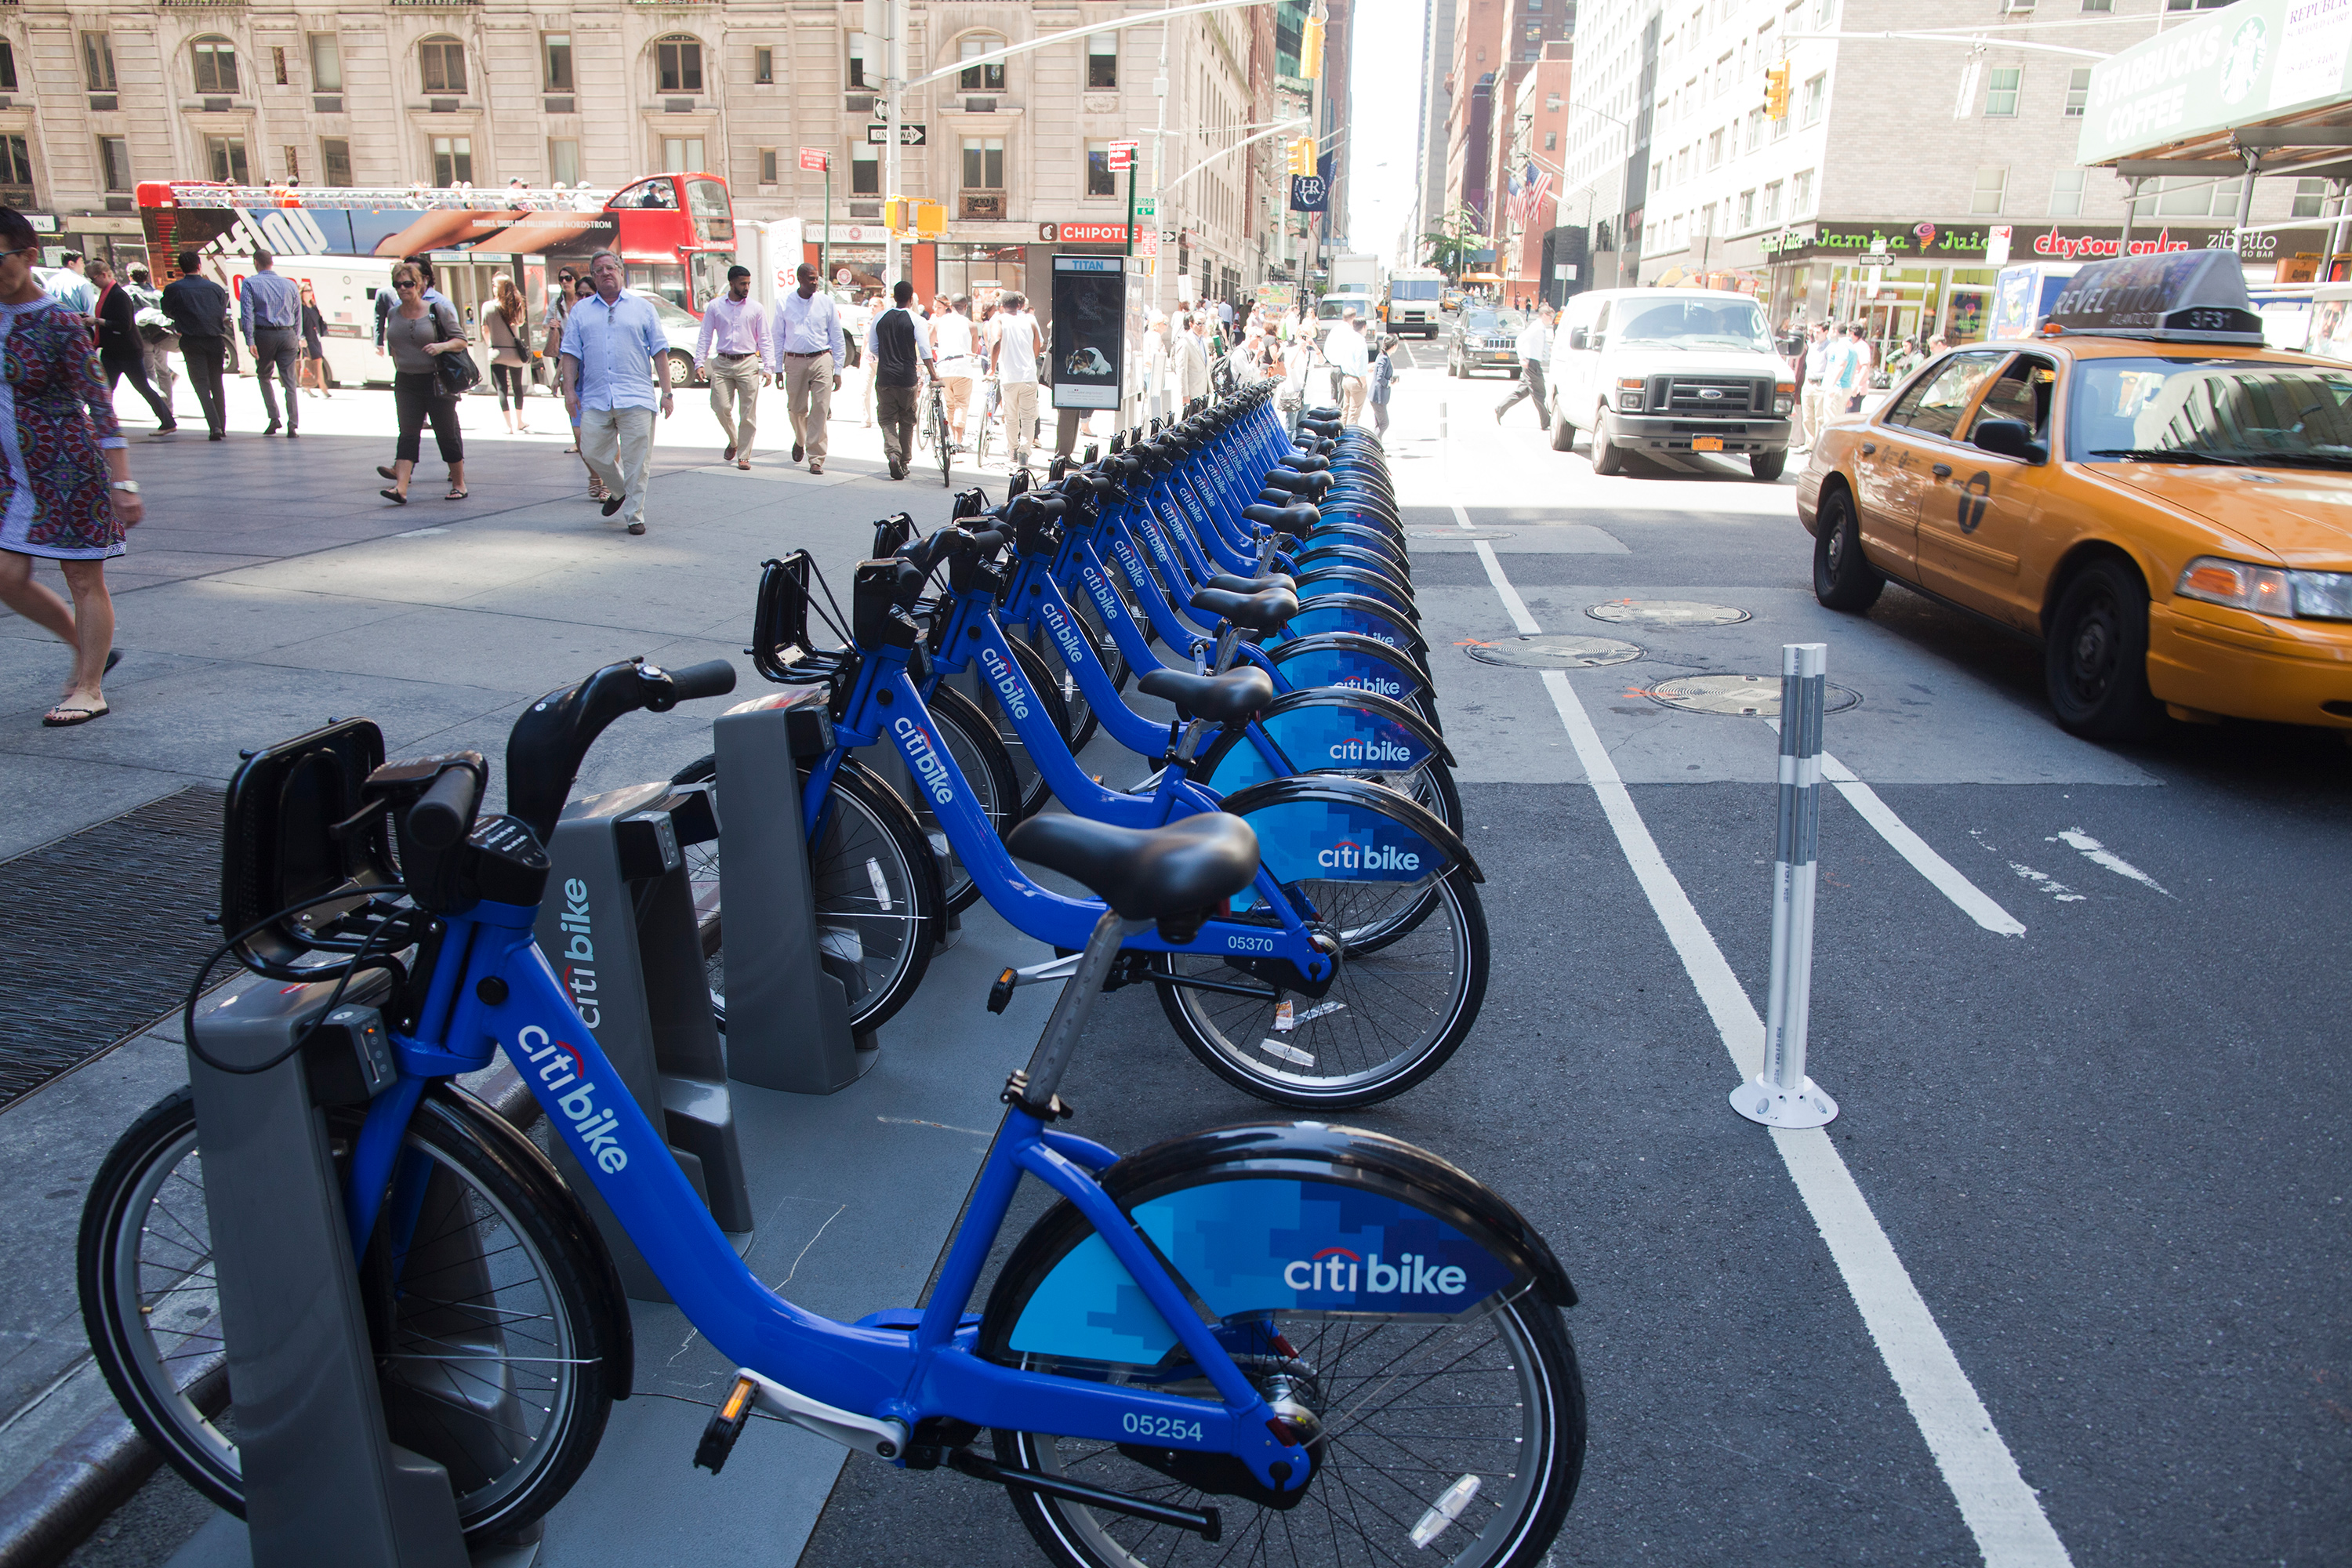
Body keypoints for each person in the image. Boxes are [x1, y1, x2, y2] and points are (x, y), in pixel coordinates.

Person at [0, 209, 142, 727]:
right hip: (12, 475)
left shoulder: (57, 320)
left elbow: (99, 402)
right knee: (5, 576)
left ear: (28, 256)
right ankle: (89, 650)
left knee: (82, 577)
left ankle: (89, 686)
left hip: (66, 468)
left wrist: (123, 482)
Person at [561, 249, 673, 533]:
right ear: (593, 277)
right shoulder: (581, 311)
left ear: (621, 271)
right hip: (596, 396)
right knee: (592, 449)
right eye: (598, 270)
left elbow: (660, 351)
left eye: (610, 268)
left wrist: (667, 392)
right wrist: (569, 392)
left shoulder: (642, 308)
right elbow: (570, 354)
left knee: (637, 461)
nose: (605, 273)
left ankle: (635, 516)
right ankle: (618, 489)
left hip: (636, 396)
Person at [376, 261, 470, 505]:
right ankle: (401, 488)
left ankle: (459, 483)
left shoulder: (436, 310)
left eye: (408, 284)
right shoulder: (393, 314)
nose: (403, 289)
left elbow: (460, 341)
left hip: (436, 380)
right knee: (407, 434)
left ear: (419, 285)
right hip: (406, 381)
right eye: (398, 285)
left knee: (446, 433)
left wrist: (441, 346)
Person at [767, 263, 843, 475]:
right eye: (811, 279)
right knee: (796, 409)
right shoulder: (784, 303)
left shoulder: (826, 302)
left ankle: (816, 458)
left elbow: (836, 336)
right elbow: (777, 336)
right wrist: (777, 368)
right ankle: (801, 439)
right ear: (800, 280)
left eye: (817, 278)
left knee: (820, 408)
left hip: (822, 359)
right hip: (794, 361)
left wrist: (838, 370)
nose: (815, 282)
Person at [86, 260, 176, 434]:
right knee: (106, 388)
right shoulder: (109, 293)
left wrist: (96, 321)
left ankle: (167, 421)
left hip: (126, 351)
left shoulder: (118, 295)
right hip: (114, 351)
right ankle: (98, 422)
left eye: (93, 278)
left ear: (104, 275)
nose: (93, 283)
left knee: (142, 387)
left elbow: (124, 324)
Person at [695, 264, 767, 470]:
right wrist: (699, 362)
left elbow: (764, 338)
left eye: (749, 283)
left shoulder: (756, 308)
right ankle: (734, 440)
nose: (747, 287)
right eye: (743, 283)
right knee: (720, 406)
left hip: (748, 362)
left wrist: (770, 367)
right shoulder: (715, 307)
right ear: (732, 283)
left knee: (748, 414)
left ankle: (744, 455)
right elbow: (705, 335)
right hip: (723, 363)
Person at [868, 280, 936, 481]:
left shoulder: (880, 318)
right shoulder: (917, 320)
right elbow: (925, 349)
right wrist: (933, 373)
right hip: (907, 378)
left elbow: (873, 348)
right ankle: (904, 461)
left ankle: (892, 453)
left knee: (887, 418)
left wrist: (888, 358)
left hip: (885, 377)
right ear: (911, 297)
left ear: (894, 297)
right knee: (907, 419)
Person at [160, 251, 231, 441]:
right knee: (217, 382)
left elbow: (167, 310)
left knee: (200, 383)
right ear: (199, 266)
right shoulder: (215, 288)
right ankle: (221, 425)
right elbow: (221, 312)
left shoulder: (174, 289)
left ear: (180, 268)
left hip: (191, 339)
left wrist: (182, 318)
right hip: (215, 339)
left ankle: (214, 425)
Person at [238, 249, 303, 437]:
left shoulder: (250, 283)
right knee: (290, 381)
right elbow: (298, 314)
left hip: (265, 335)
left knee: (264, 376)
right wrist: (296, 337)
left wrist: (250, 340)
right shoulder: (290, 284)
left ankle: (274, 418)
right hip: (288, 334)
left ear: (256, 262)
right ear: (271, 263)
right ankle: (293, 424)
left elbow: (247, 313)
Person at [989, 291, 1044, 471]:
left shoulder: (999, 320)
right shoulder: (1030, 319)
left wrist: (992, 367)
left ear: (1002, 306)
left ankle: (1012, 448)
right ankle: (1024, 452)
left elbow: (997, 341)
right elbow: (1038, 345)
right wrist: (1031, 356)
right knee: (1028, 417)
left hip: (1009, 377)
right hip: (1029, 375)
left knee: (1011, 416)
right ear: (1019, 305)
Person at [478, 274, 532, 435]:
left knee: (502, 388)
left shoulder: (488, 307)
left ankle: (508, 425)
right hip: (515, 353)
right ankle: (520, 421)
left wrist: (490, 344)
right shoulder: (516, 305)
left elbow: (484, 329)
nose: (493, 288)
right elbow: (521, 323)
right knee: (517, 387)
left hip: (496, 351)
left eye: (494, 285)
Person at [125, 266, 179, 413]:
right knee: (163, 370)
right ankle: (169, 408)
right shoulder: (157, 293)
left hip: (141, 337)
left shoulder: (127, 293)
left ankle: (158, 396)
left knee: (148, 372)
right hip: (160, 337)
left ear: (130, 276)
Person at [1495, 303, 1553, 430]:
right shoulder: (1537, 327)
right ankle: (1546, 421)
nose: (1551, 320)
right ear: (1545, 315)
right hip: (1531, 363)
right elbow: (1520, 339)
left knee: (1522, 391)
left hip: (1532, 362)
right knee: (1539, 393)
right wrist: (1522, 358)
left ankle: (1501, 408)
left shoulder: (1540, 327)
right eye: (1550, 317)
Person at [932, 294, 978, 448]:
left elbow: (929, 341)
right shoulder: (971, 325)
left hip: (944, 369)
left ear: (950, 305)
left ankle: (953, 437)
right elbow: (973, 352)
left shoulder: (939, 322)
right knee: (961, 405)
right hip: (963, 369)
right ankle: (958, 441)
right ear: (965, 307)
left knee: (950, 405)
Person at [1325, 308, 1370, 425]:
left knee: (1342, 409)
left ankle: (1338, 434)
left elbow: (1327, 350)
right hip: (1348, 374)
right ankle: (1347, 439)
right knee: (1351, 413)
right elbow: (1360, 364)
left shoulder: (1336, 330)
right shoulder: (1354, 336)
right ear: (1353, 318)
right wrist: (1363, 382)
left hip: (1336, 369)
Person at [297, 279, 332, 399]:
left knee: (314, 362)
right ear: (302, 293)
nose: (310, 292)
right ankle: (323, 388)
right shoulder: (301, 308)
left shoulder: (313, 306)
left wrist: (320, 316)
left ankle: (307, 387)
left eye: (311, 290)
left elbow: (319, 323)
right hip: (308, 339)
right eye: (307, 290)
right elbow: (298, 324)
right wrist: (301, 337)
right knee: (316, 362)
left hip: (316, 338)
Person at [42, 252, 95, 324]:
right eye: (81, 262)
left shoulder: (51, 282)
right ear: (71, 264)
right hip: (80, 326)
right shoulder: (82, 283)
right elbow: (90, 312)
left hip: (57, 325)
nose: (83, 265)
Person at [1800, 321, 1830, 441]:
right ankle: (1809, 442)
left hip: (1819, 384)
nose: (1815, 335)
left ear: (1826, 332)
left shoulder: (1829, 348)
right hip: (1808, 383)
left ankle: (1817, 443)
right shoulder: (1812, 346)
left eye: (1818, 332)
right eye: (1814, 332)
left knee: (1819, 417)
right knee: (1807, 417)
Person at [1369, 333, 1399, 439]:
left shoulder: (1383, 356)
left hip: (1378, 396)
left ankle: (1377, 449)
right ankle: (1373, 445)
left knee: (1379, 424)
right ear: (1394, 346)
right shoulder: (1384, 358)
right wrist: (1389, 383)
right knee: (1384, 423)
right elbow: (1379, 377)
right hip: (1378, 397)